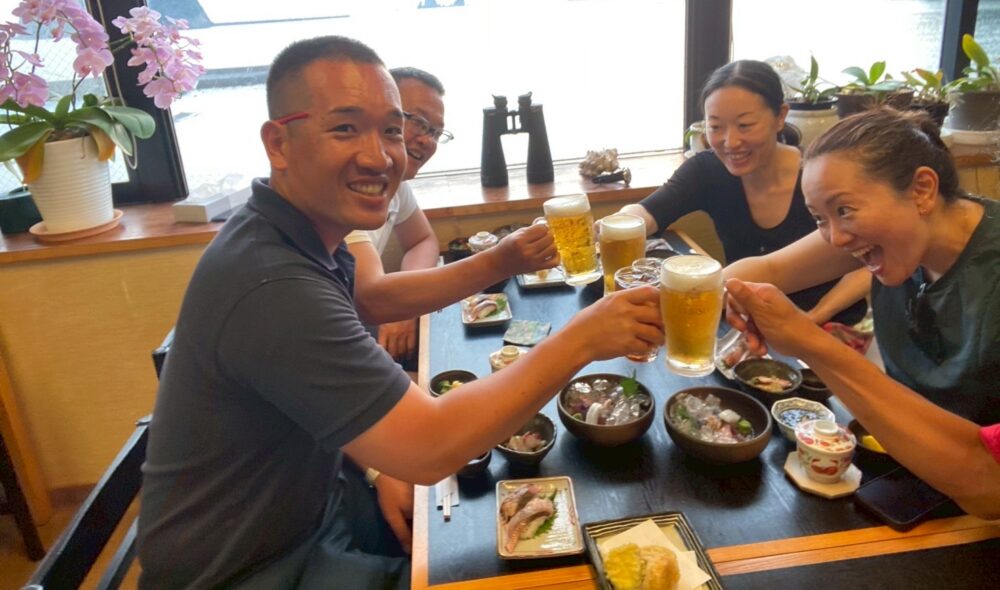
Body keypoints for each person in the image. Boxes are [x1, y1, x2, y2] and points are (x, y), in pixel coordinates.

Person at [137, 35, 663, 590]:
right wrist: (582, 338)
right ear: (279, 143)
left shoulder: (297, 238)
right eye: (345, 128)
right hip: (250, 568)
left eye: (392, 130)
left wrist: (374, 462)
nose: (380, 155)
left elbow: (367, 320)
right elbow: (429, 447)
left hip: (314, 504)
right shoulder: (273, 283)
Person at [724, 107, 1000, 519]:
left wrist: (808, 340)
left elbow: (989, 484)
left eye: (844, 210)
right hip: (909, 470)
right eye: (819, 218)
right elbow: (770, 269)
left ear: (922, 190)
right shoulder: (900, 234)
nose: (835, 238)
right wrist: (686, 298)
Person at [617, 59, 869, 326]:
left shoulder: (819, 178)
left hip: (829, 324)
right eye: (716, 127)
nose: (731, 142)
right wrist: (618, 226)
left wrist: (818, 314)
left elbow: (867, 257)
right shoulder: (707, 170)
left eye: (745, 125)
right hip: (747, 320)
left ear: (780, 116)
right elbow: (650, 211)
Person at [345, 66, 450, 362]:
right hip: (341, 336)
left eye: (436, 133)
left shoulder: (396, 182)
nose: (428, 140)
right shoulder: (342, 189)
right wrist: (501, 261)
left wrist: (406, 302)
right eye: (419, 122)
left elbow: (423, 240)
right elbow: (374, 298)